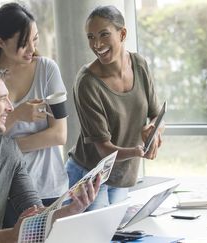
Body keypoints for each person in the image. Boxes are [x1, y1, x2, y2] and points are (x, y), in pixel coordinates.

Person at [0, 66, 100, 243]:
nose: (10, 108)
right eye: (2, 99)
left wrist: (73, 209)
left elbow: (36, 212)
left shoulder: (8, 150)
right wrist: (13, 235)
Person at [0, 2, 69, 224]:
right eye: (23, 43)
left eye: (34, 39)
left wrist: (8, 147)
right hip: (4, 193)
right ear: (0, 42)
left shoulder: (47, 70)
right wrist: (17, 115)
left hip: (50, 188)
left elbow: (59, 135)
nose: (31, 48)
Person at [66, 5, 164, 211]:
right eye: (91, 37)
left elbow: (156, 115)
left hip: (121, 176)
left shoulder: (139, 65)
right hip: (89, 177)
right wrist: (138, 152)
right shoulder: (87, 83)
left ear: (123, 34)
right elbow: (104, 149)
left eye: (104, 35)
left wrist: (154, 132)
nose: (97, 44)